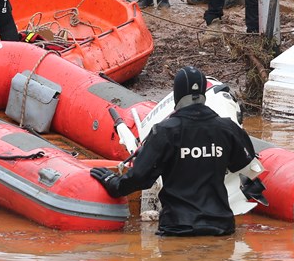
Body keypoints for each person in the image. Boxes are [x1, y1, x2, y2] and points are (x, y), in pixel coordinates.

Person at [90, 66, 260, 237]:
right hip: (221, 228)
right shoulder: (227, 128)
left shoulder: (165, 131)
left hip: (178, 228)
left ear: (176, 94)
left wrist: (113, 183)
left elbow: (140, 178)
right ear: (203, 93)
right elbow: (243, 162)